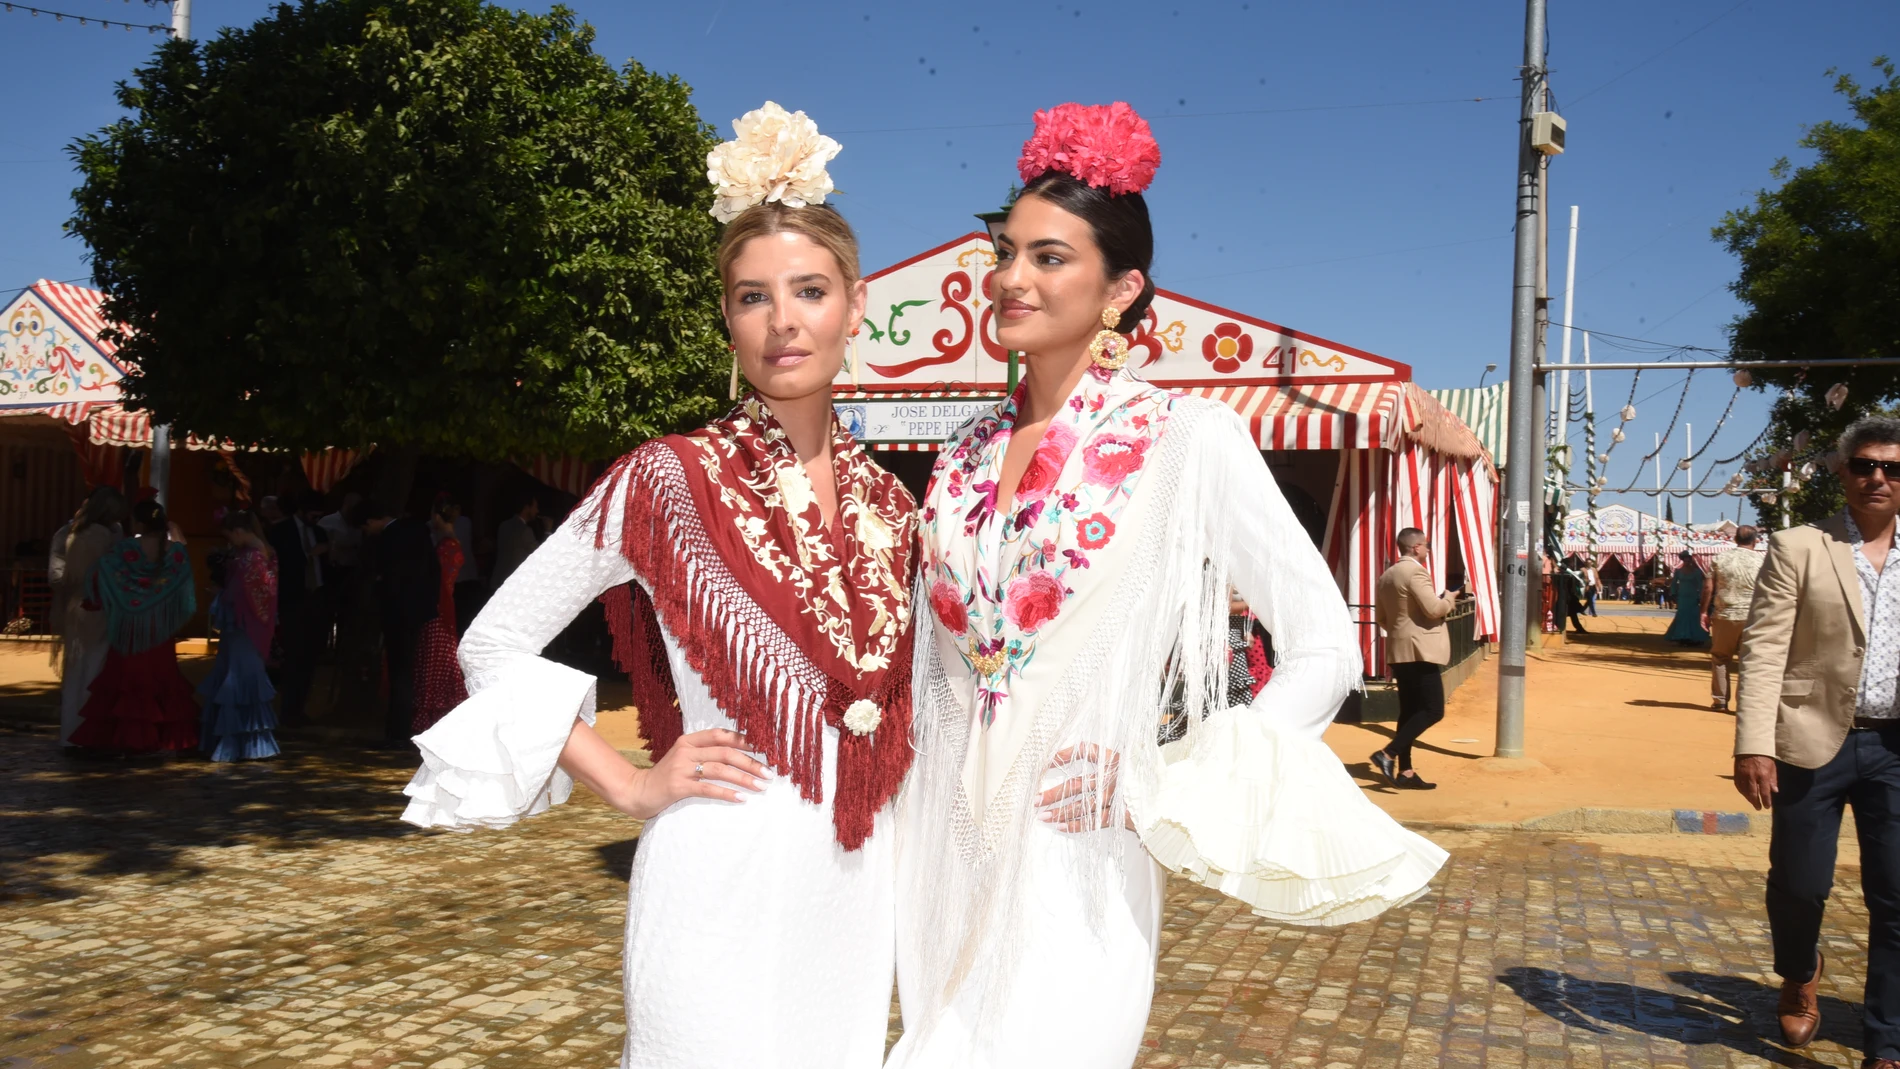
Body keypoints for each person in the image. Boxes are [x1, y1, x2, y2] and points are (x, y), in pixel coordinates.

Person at [889, 103, 1445, 1069]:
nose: (1011, 277)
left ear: (1123, 287)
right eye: (1006, 250)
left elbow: (1322, 642)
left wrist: (1171, 775)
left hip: (1080, 861)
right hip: (936, 858)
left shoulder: (1187, 438)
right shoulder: (964, 452)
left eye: (1049, 257)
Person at [401, 103, 918, 1068]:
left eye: (809, 290)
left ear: (855, 303)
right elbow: (493, 641)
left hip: (851, 898)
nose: (783, 320)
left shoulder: (897, 504)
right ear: (726, 319)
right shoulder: (664, 478)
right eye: (752, 296)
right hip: (711, 878)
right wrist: (632, 784)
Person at [1734, 416, 1900, 1064]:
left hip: (1895, 748)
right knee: (1800, 885)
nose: (1878, 477)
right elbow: (1765, 647)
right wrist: (1753, 743)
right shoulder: (1802, 545)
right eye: (1865, 465)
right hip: (1811, 740)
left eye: (1892, 466)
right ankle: (1800, 971)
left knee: (1897, 894)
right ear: (1842, 471)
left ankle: (1886, 1038)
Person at [70, 499, 199, 755]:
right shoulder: (175, 552)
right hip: (160, 629)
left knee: (127, 680)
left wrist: (102, 600)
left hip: (129, 629)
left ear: (138, 522)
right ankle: (164, 740)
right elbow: (185, 587)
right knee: (162, 677)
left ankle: (125, 742)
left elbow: (100, 573)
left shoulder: (125, 549)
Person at [1372, 528, 1458, 790]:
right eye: (1427, 546)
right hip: (1420, 649)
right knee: (1433, 710)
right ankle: (1388, 754)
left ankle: (1406, 772)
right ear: (1416, 547)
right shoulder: (1415, 572)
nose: (1428, 550)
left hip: (1398, 649)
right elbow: (1433, 609)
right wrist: (1450, 599)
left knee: (1409, 711)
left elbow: (1383, 618)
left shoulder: (1386, 575)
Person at [200, 510, 281, 761]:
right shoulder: (265, 553)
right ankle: (246, 743)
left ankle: (239, 745)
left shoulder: (250, 558)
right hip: (251, 626)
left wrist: (218, 593)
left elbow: (238, 594)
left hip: (242, 625)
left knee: (237, 679)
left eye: (230, 536)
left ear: (239, 532)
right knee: (241, 677)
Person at [55, 488, 127, 747]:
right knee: (95, 669)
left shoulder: (76, 532)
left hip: (77, 606)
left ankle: (70, 735)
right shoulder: (102, 535)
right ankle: (88, 734)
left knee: (75, 670)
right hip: (97, 605)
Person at [365, 503, 438, 746]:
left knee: (399, 669)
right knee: (406, 668)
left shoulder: (388, 538)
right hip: (416, 610)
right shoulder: (418, 532)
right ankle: (400, 726)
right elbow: (433, 570)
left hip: (396, 611)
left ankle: (396, 730)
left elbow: (389, 579)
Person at [411, 498, 468, 733]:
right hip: (443, 610)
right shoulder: (451, 544)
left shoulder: (446, 547)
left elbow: (440, 585)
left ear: (436, 516)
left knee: (432, 664)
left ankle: (429, 718)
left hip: (438, 611)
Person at [1703, 525, 1764, 712]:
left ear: (1735, 540)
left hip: (1724, 615)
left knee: (1721, 658)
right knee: (1748, 661)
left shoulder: (1719, 559)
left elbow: (1708, 588)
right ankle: (1744, 703)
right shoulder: (1763, 561)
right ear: (1755, 541)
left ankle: (1720, 700)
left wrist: (1704, 611)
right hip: (1753, 616)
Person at [489, 492, 541, 593]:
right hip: (513, 586)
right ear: (527, 507)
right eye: (535, 507)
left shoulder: (503, 525)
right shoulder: (525, 531)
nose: (537, 511)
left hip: (498, 581)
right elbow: (540, 554)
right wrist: (548, 530)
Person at [1664, 550, 1710, 644]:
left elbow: (1700, 585)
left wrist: (1700, 596)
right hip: (1682, 596)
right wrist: (1673, 593)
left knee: (1693, 615)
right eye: (1685, 560)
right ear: (1683, 560)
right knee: (1682, 615)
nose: (1687, 562)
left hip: (1693, 596)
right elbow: (1674, 584)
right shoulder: (1678, 571)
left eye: (1689, 560)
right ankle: (1681, 635)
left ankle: (1694, 636)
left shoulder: (1696, 572)